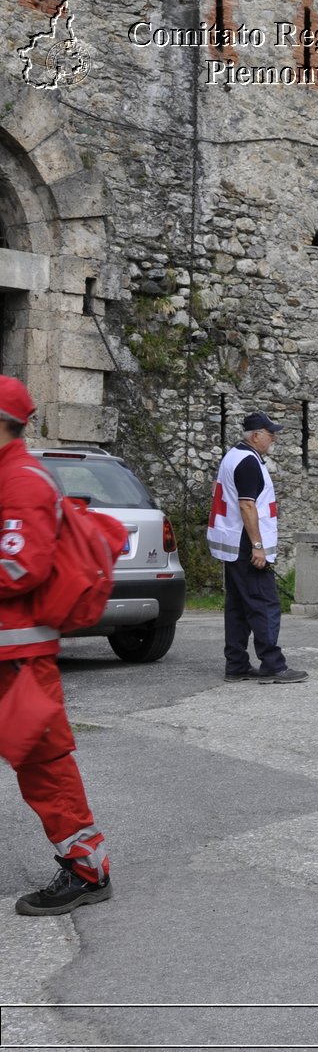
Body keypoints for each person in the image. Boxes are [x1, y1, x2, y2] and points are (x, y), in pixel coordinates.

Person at [0, 376, 113, 915]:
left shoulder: (21, 481)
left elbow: (20, 567)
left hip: (20, 660)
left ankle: (87, 871)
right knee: (39, 763)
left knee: (43, 764)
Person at [207, 411, 307, 684]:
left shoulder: (234, 456)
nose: (273, 437)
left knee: (238, 605)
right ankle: (273, 664)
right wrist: (258, 546)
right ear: (254, 435)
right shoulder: (249, 463)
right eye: (269, 432)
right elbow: (247, 505)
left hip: (232, 541)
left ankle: (236, 664)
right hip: (246, 541)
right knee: (264, 603)